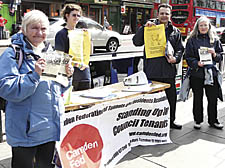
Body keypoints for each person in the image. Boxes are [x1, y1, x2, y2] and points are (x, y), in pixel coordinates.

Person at [0, 10, 74, 168]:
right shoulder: (13, 54)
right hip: (26, 132)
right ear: (24, 29)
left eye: (43, 29)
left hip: (49, 129)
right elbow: (6, 88)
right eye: (34, 28)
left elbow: (58, 88)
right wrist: (34, 76)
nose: (39, 33)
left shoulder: (51, 53)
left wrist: (67, 76)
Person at [132, 3, 184, 129]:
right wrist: (144, 27)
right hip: (152, 71)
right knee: (152, 100)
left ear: (170, 15)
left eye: (167, 13)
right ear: (157, 14)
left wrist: (175, 59)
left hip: (168, 71)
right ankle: (151, 123)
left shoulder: (175, 31)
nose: (164, 16)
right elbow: (136, 42)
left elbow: (180, 49)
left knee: (171, 98)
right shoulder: (150, 27)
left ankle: (171, 121)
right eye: (162, 13)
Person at [185, 16, 224, 130]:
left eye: (205, 25)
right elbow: (188, 57)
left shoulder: (215, 40)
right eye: (201, 25)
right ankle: (198, 120)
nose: (203, 27)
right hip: (197, 73)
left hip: (211, 74)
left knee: (212, 98)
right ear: (197, 27)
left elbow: (220, 56)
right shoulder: (191, 40)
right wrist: (196, 63)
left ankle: (213, 120)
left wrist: (214, 54)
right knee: (198, 98)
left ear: (209, 26)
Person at [55, 4, 91, 91]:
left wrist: (88, 39)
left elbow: (89, 52)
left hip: (83, 73)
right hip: (68, 74)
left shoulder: (82, 33)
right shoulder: (61, 34)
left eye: (78, 15)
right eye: (74, 15)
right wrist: (74, 64)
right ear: (67, 16)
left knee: (85, 100)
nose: (76, 18)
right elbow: (60, 56)